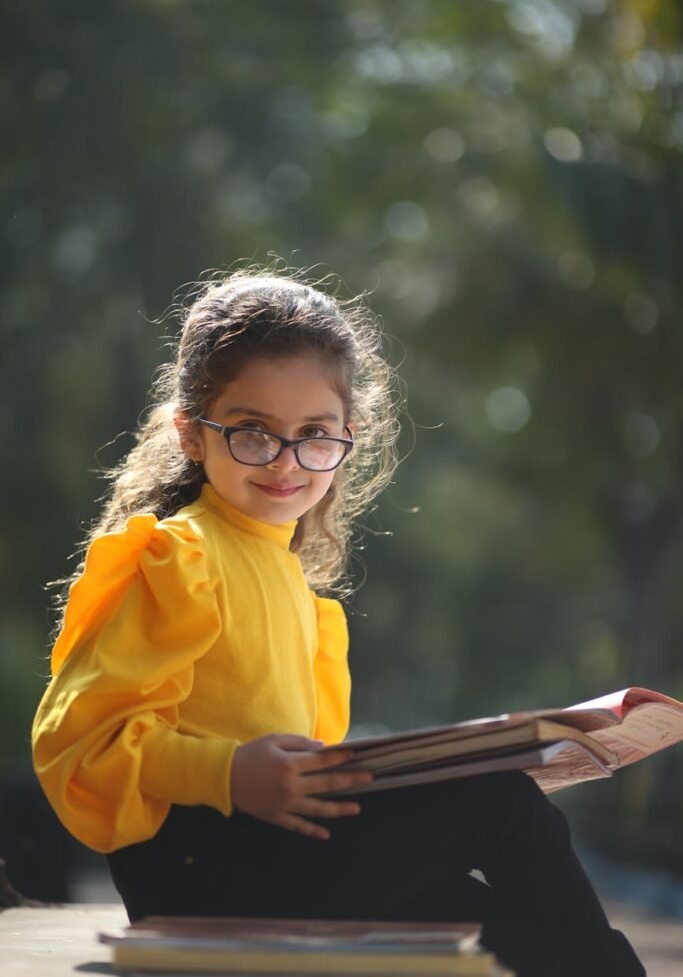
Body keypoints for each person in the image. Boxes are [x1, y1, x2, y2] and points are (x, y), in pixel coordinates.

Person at [32, 270, 644, 976]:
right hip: (198, 875)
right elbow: (76, 743)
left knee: (503, 930)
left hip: (275, 862)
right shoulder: (179, 557)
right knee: (498, 802)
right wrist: (228, 773)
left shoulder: (288, 576)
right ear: (191, 434)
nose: (286, 461)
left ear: (346, 437)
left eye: (313, 435)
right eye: (252, 433)